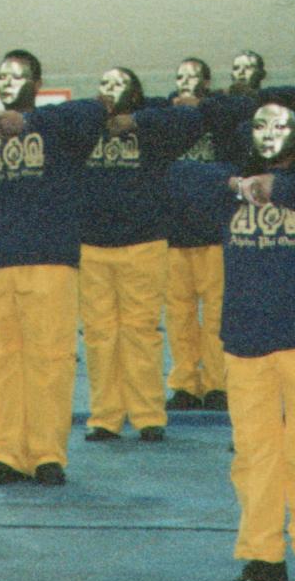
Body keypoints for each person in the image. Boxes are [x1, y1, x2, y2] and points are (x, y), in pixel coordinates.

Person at [172, 90, 295, 581]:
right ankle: (262, 554)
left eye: (281, 127)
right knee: (253, 455)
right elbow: (176, 176)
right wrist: (238, 184)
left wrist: (281, 186)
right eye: (260, 127)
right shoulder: (229, 186)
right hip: (245, 340)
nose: (268, 136)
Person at [0, 49, 107, 487]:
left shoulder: (60, 127)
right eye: (2, 75)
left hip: (48, 258)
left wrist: (28, 122)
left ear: (38, 83)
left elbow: (95, 110)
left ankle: (47, 454)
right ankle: (7, 453)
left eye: (18, 75)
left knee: (50, 360)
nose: (8, 83)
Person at [75, 66, 216, 443]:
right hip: (93, 246)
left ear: (135, 93)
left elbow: (192, 119)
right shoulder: (84, 127)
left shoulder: (154, 129)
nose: (109, 89)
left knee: (141, 332)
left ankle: (147, 415)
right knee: (99, 335)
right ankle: (105, 416)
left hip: (143, 243)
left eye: (119, 84)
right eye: (104, 83)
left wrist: (135, 120)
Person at [161, 56, 251, 413]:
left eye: (194, 76)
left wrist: (204, 105)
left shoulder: (221, 116)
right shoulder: (167, 118)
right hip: (174, 235)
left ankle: (217, 383)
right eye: (180, 76)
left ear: (208, 82)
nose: (186, 82)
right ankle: (185, 383)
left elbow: (244, 109)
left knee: (216, 315)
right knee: (178, 316)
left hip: (214, 234)